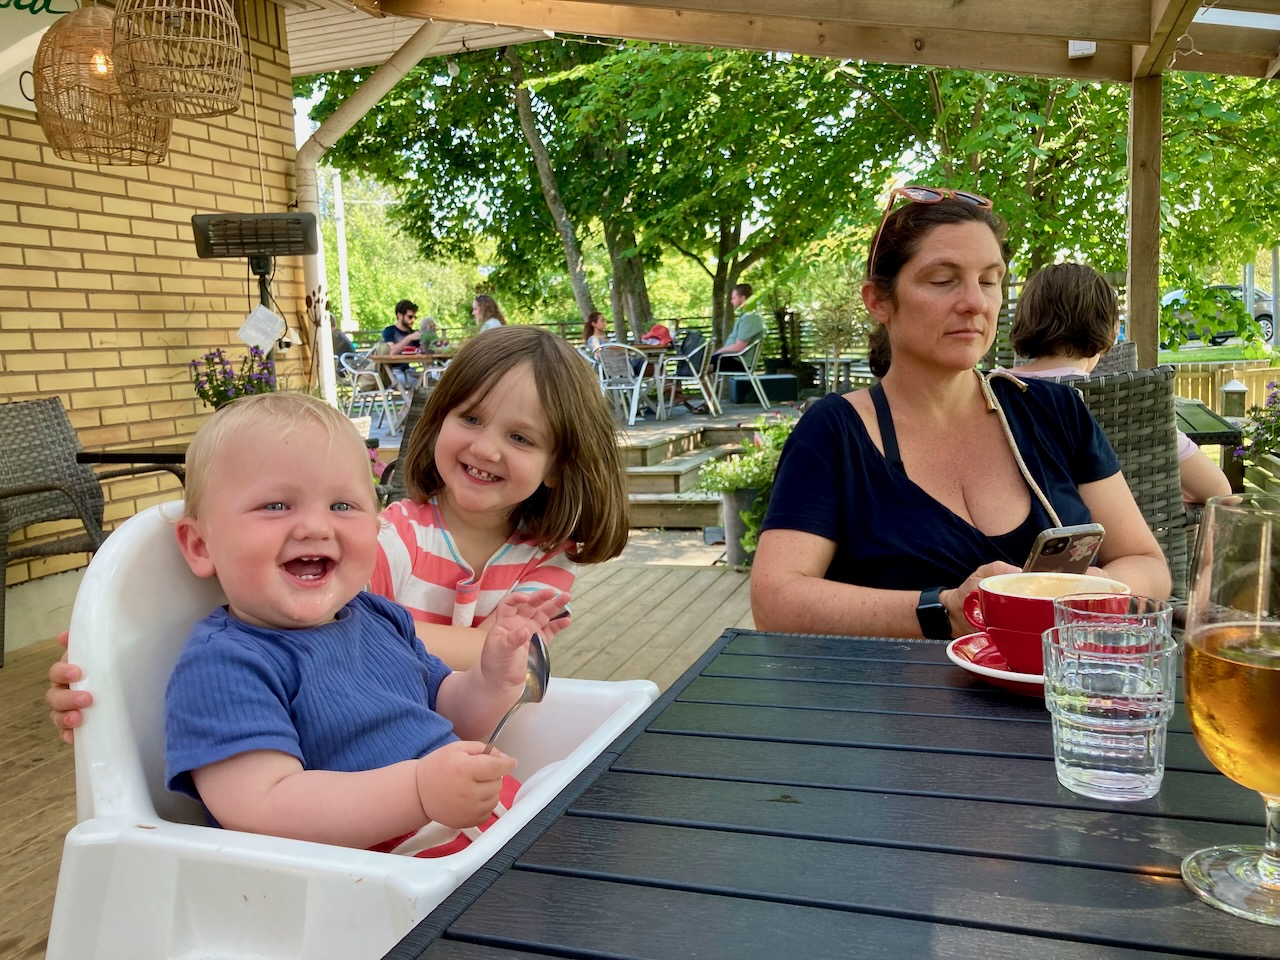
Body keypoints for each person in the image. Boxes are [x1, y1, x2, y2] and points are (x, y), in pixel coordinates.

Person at [47, 325, 630, 742]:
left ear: (557, 464)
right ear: (439, 420)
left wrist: (491, 652)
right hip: (342, 750)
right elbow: (296, 620)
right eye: (471, 418)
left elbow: (509, 664)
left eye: (521, 438)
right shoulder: (385, 535)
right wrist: (119, 657)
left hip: (457, 739)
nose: (486, 448)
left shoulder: (546, 559)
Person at [750, 186, 1170, 640]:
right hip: (900, 687)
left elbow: (1146, 563)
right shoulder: (835, 433)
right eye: (943, 280)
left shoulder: (1056, 411)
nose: (976, 302)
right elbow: (775, 602)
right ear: (879, 301)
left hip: (1060, 683)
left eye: (989, 280)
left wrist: (1093, 592)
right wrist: (946, 610)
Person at [161, 392, 570, 855]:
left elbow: (449, 713)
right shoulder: (224, 665)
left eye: (342, 506)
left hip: (479, 828)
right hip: (387, 867)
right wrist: (419, 792)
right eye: (275, 506)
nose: (316, 527)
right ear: (201, 546)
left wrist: (492, 680)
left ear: (377, 526)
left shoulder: (378, 616)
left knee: (572, 786)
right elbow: (262, 808)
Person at [1009, 262, 1231, 505]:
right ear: (1112, 329)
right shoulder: (1131, 404)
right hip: (1128, 528)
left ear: (1025, 318)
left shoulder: (989, 389)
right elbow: (1220, 492)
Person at [710, 283, 766, 373]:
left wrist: (720, 351)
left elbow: (739, 347)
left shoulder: (750, 317)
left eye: (733, 298)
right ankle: (708, 382)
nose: (731, 301)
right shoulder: (748, 315)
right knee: (700, 364)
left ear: (742, 298)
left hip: (739, 361)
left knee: (699, 366)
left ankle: (706, 381)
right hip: (733, 358)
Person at [382, 299, 422, 387]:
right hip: (391, 373)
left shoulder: (412, 333)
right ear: (399, 316)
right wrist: (409, 338)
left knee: (429, 378)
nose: (413, 320)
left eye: (415, 317)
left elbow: (421, 350)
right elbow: (391, 352)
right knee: (420, 382)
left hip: (408, 370)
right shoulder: (389, 331)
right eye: (410, 317)